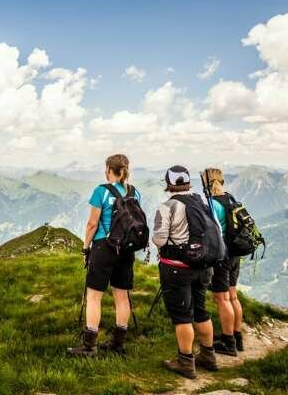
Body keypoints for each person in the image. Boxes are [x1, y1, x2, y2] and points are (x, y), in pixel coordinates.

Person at [67, 154, 141, 356]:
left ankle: (89, 345)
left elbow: (92, 223)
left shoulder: (101, 191)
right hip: (126, 248)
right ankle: (118, 343)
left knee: (94, 296)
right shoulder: (134, 192)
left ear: (109, 170)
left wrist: (85, 248)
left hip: (104, 247)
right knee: (122, 296)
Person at [153, 165, 218, 378]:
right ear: (188, 182)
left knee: (182, 316)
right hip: (204, 266)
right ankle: (208, 356)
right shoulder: (201, 202)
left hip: (177, 269)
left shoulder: (167, 207)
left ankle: (185, 362)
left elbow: (160, 239)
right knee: (201, 311)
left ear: (168, 183)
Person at [204, 168, 244, 355]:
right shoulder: (230, 198)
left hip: (221, 255)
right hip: (235, 253)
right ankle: (237, 337)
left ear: (206, 183)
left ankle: (228, 343)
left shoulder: (212, 204)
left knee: (222, 298)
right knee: (233, 296)